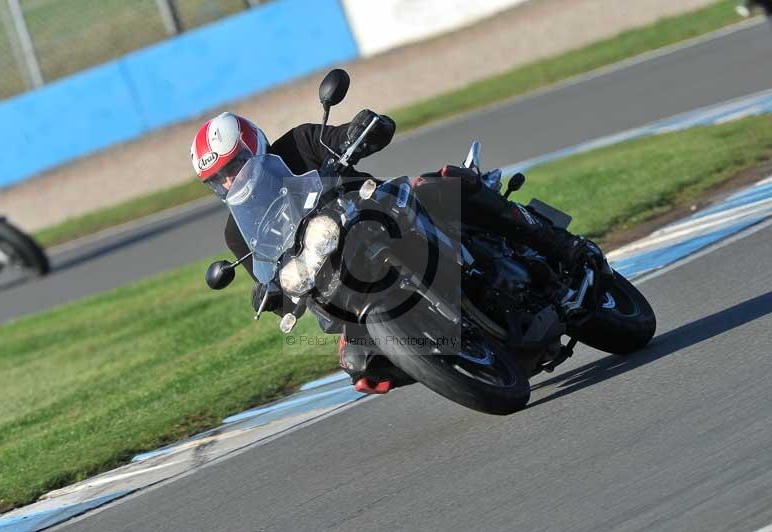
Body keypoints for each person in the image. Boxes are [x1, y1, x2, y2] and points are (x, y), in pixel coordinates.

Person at [190, 110, 595, 394]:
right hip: (341, 280)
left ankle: (559, 245)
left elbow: (359, 132)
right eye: (218, 178)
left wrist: (361, 130)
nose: (230, 179)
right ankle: (449, 362)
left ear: (253, 145)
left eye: (235, 164)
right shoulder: (236, 234)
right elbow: (272, 276)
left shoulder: (299, 145)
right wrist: (271, 294)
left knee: (438, 184)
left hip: (384, 211)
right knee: (360, 366)